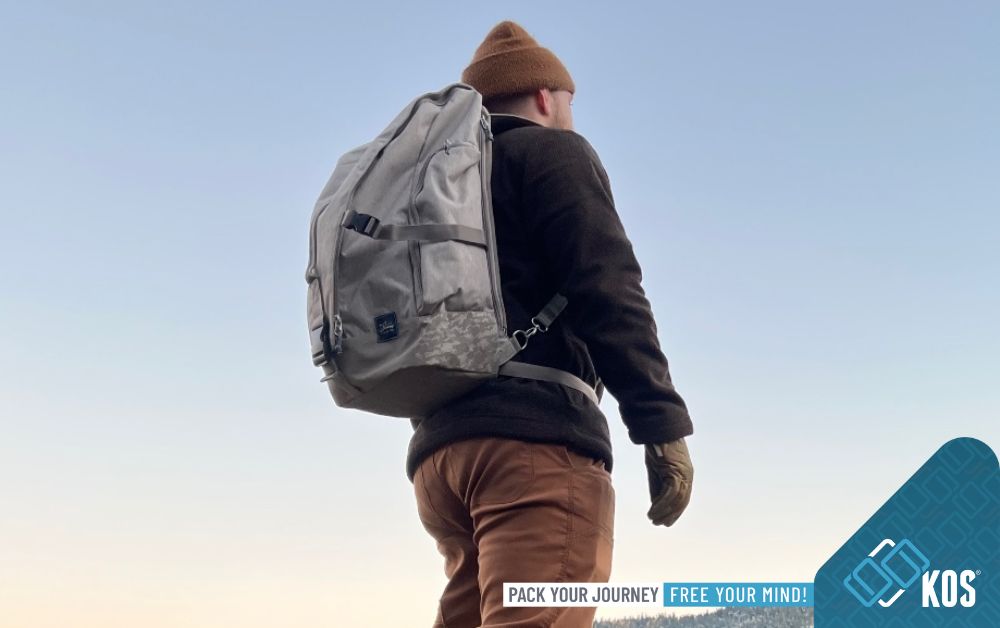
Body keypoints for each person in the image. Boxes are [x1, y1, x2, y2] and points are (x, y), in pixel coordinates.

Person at [407, 20, 695, 628]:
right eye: (569, 100)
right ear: (545, 95)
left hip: (440, 456)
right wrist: (661, 425)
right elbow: (607, 286)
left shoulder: (439, 183)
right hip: (530, 449)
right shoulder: (552, 152)